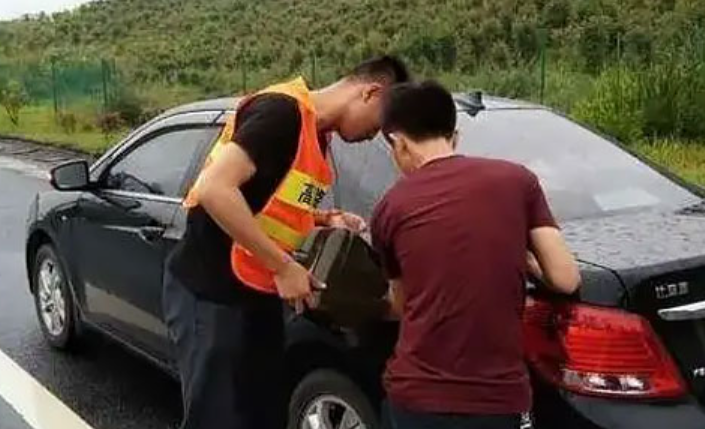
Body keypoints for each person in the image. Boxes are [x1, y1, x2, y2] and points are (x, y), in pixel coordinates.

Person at [163, 56, 410, 429]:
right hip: (212, 294)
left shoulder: (316, 137)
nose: (372, 136)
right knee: (218, 418)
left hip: (256, 295)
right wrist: (282, 266)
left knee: (261, 415)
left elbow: (269, 203)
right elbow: (215, 188)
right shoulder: (282, 115)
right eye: (378, 125)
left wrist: (326, 219)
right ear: (370, 93)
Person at [371, 81, 581, 429]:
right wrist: (522, 257)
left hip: (417, 398)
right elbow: (565, 278)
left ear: (399, 143)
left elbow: (403, 305)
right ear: (455, 136)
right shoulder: (518, 180)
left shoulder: (390, 207)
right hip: (498, 400)